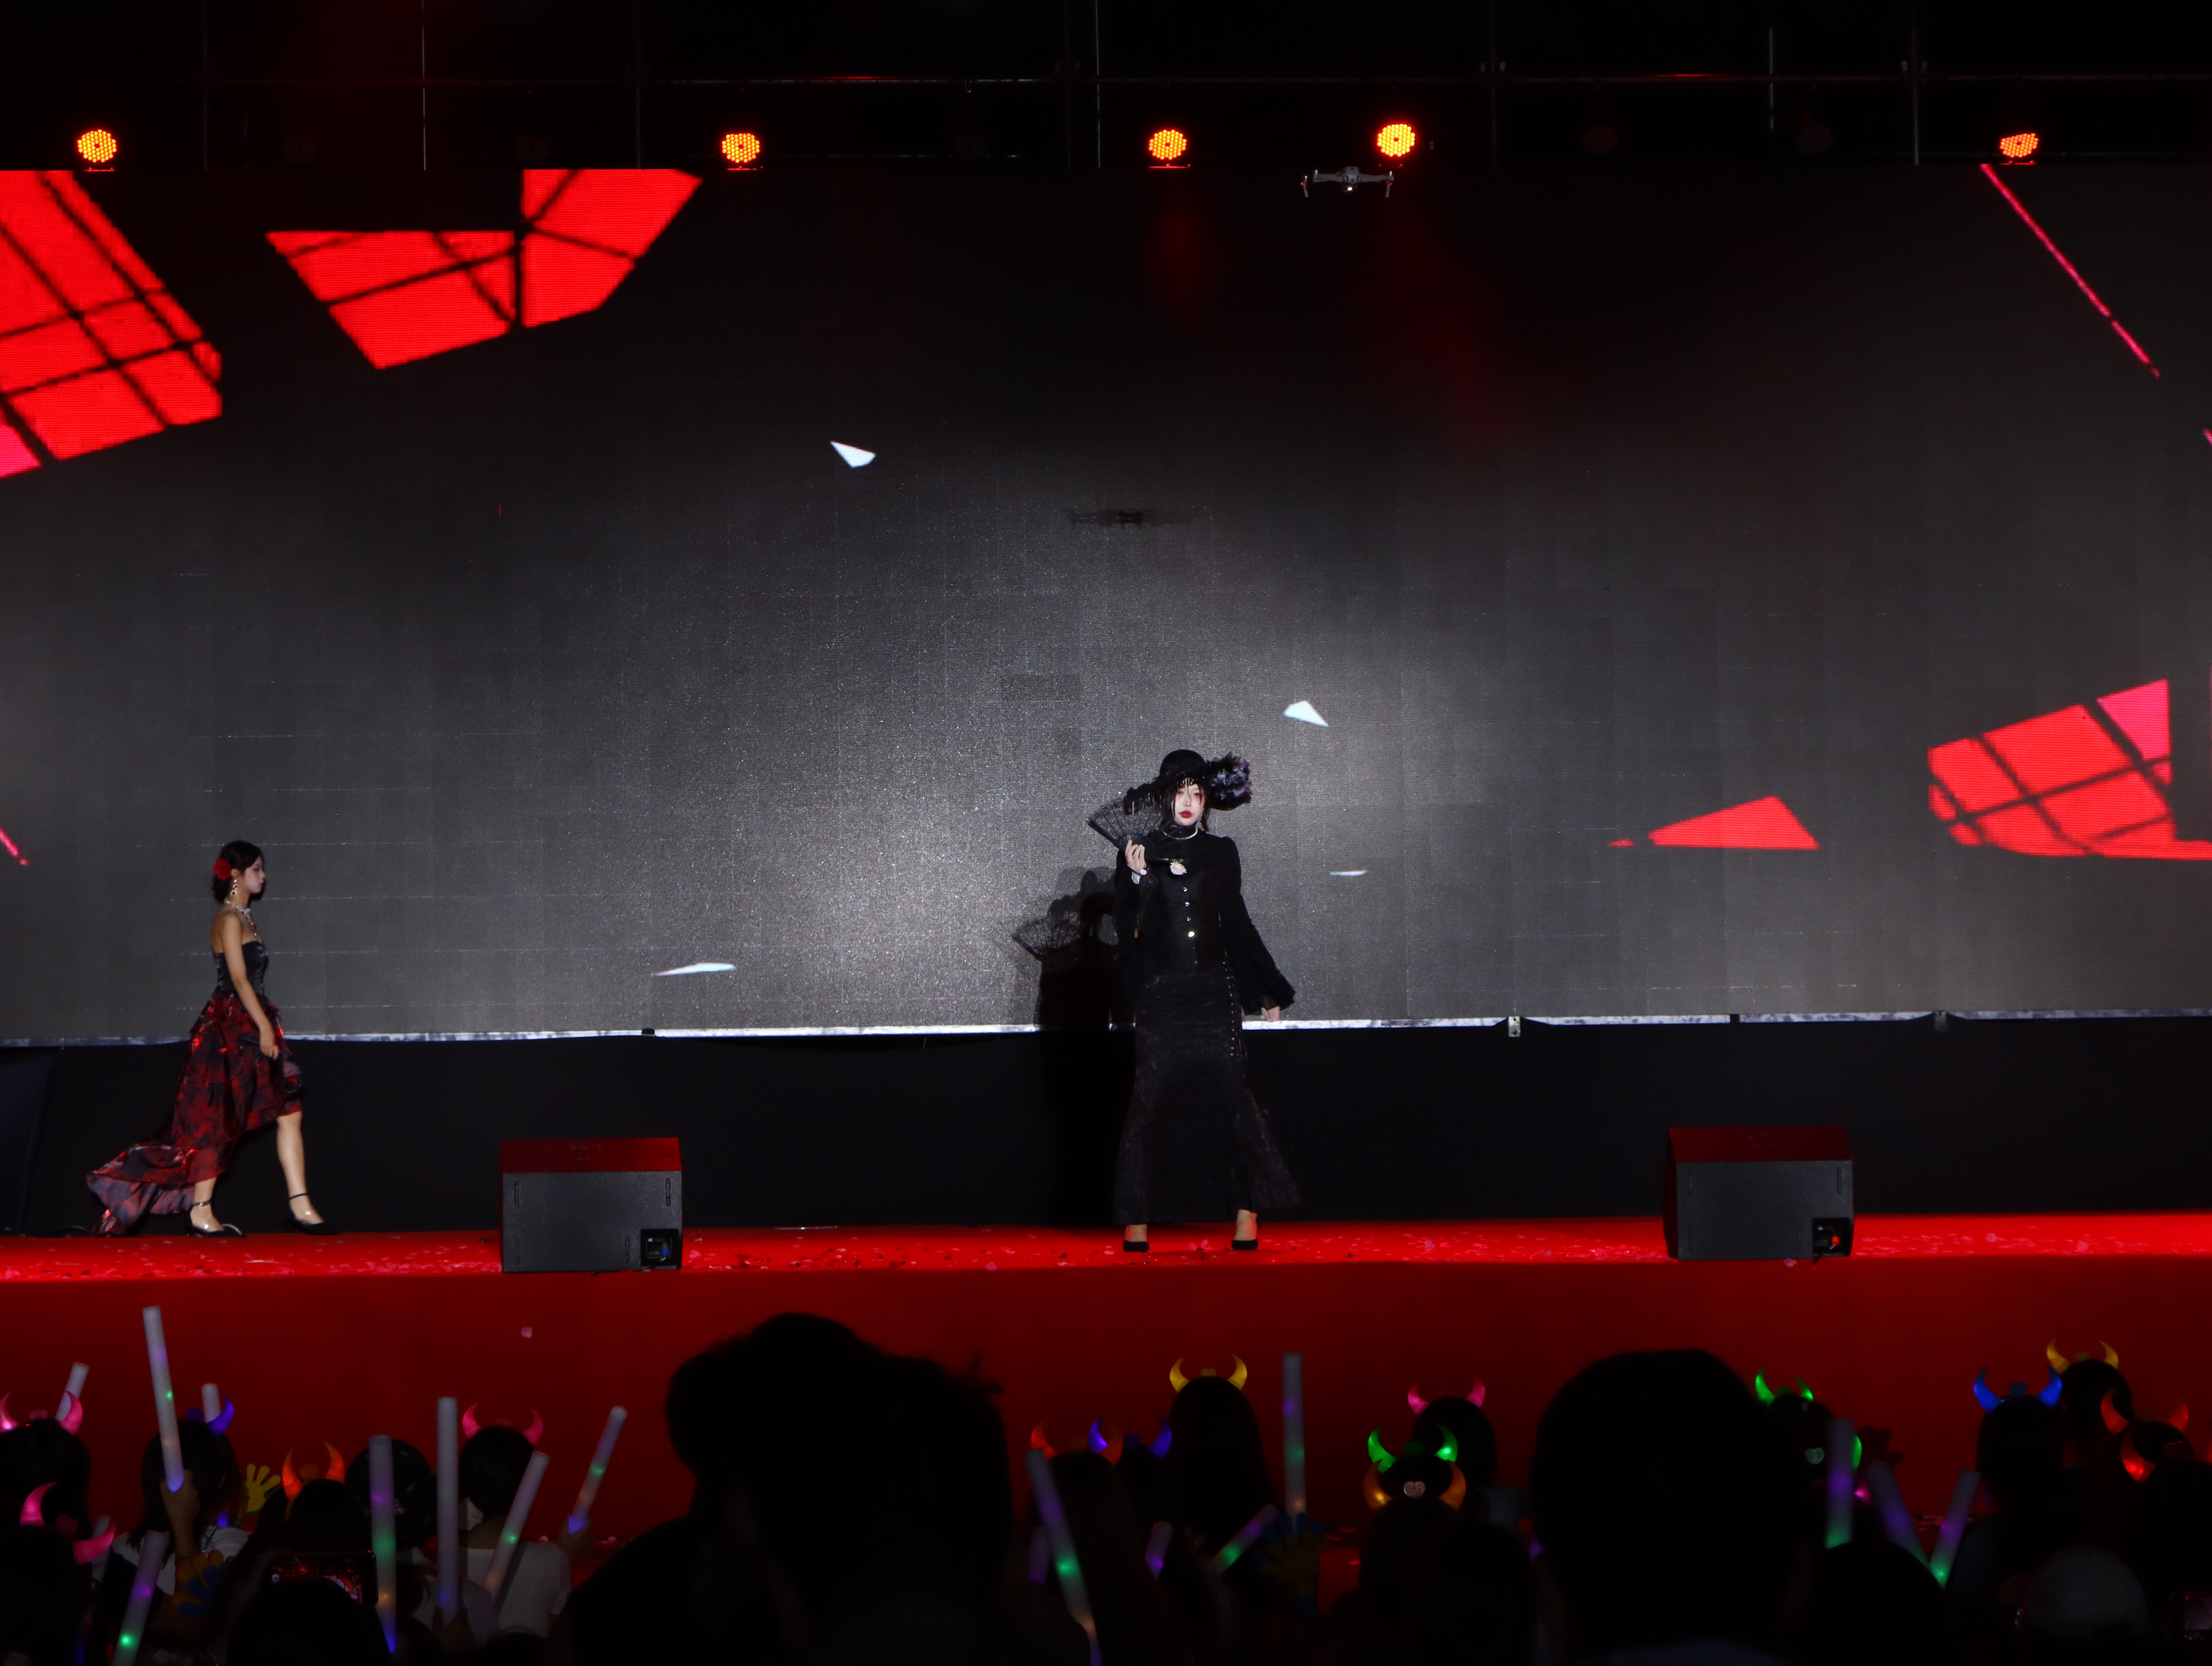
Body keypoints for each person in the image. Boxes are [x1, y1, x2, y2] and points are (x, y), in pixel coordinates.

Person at [87, 841, 330, 1236]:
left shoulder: (246, 918)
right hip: (233, 1028)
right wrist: (264, 1028)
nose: (263, 876)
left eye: (262, 868)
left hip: (251, 1021)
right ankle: (200, 1210)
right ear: (235, 875)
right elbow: (239, 980)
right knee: (219, 1120)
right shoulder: (229, 920)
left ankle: (300, 1205)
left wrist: (264, 1025)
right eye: (256, 869)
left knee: (290, 1112)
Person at [1111, 749, 1297, 1252]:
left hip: (1215, 994)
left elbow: (1236, 923)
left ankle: (1246, 1214)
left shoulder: (1221, 851)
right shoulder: (1138, 850)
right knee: (1150, 1101)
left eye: (1197, 792)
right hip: (1163, 996)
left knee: (1236, 1100)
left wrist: (1266, 988)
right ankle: (1137, 1217)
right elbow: (1127, 930)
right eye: (1180, 792)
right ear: (1164, 797)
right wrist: (1136, 880)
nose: (1189, 801)